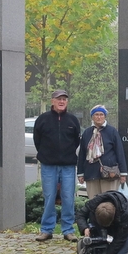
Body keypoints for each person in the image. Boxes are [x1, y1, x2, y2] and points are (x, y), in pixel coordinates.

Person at [33, 89, 81, 242]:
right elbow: (37, 141)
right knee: (49, 197)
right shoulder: (42, 119)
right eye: (58, 99)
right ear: (52, 101)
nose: (62, 101)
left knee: (68, 197)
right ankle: (46, 229)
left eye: (64, 99)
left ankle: (68, 230)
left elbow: (76, 141)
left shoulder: (73, 120)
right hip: (48, 165)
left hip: (68, 166)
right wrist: (47, 155)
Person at [77, 105, 127, 198]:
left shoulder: (112, 131)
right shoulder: (87, 133)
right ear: (92, 117)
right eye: (96, 114)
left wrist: (123, 173)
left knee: (109, 203)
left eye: (101, 114)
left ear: (105, 116)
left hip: (109, 174)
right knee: (93, 201)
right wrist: (80, 173)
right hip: (91, 173)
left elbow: (119, 152)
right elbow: (82, 154)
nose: (99, 117)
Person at [75, 190, 128, 254]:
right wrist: (85, 228)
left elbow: (120, 239)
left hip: (127, 227)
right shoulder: (94, 203)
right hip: (100, 223)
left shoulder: (126, 212)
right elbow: (80, 215)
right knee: (92, 248)